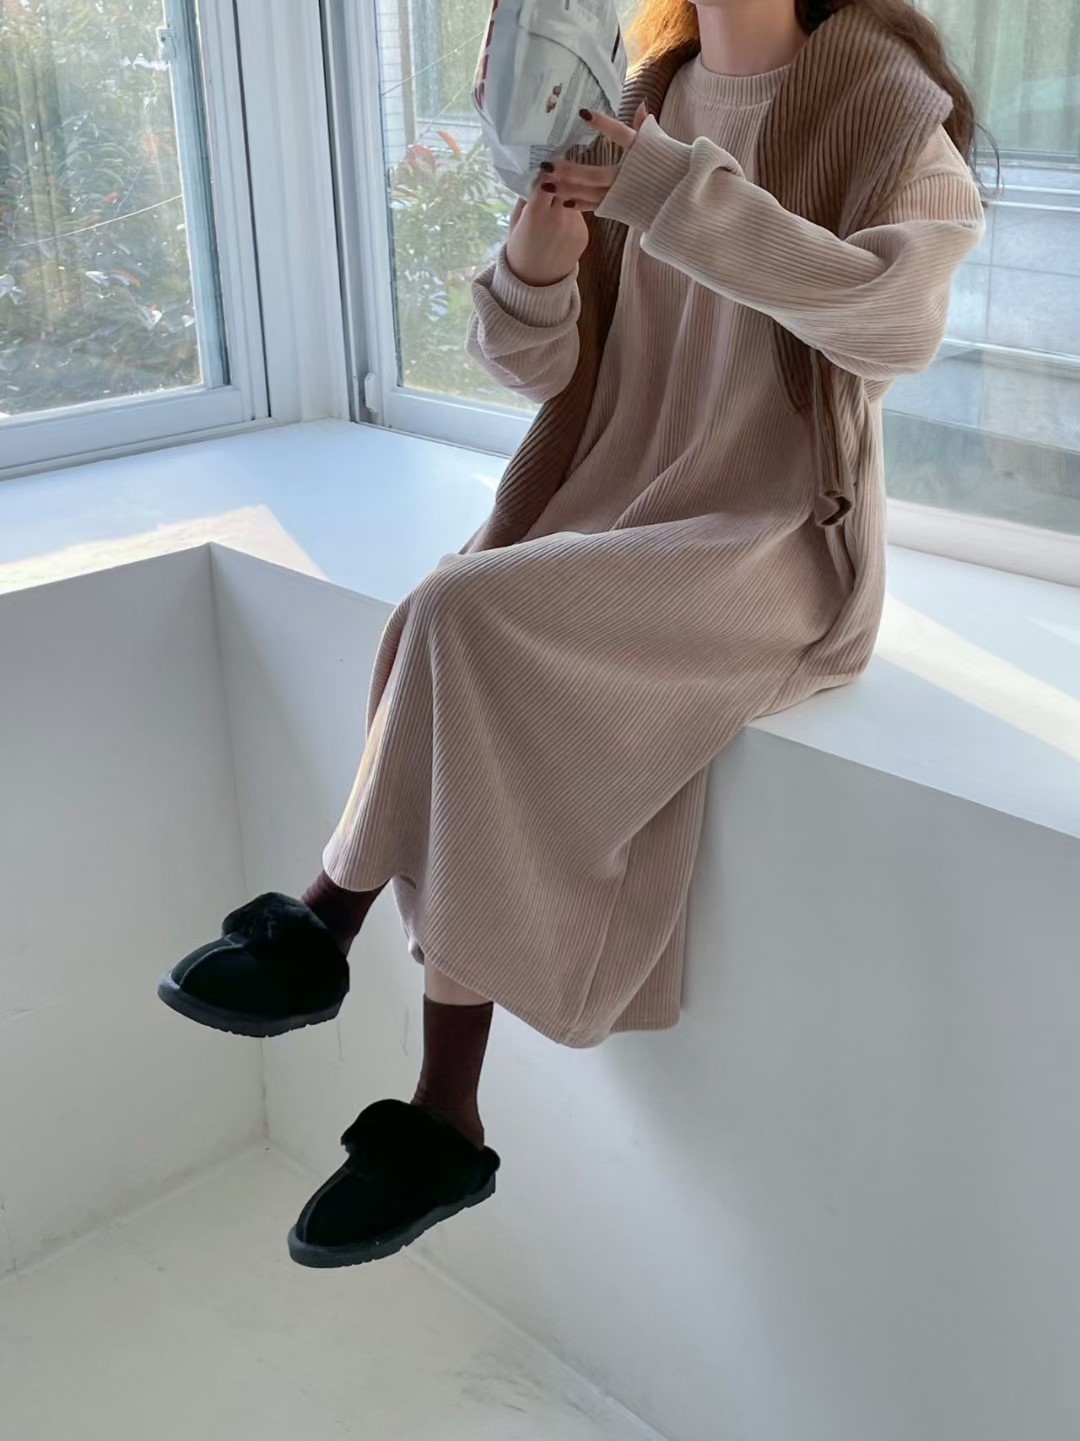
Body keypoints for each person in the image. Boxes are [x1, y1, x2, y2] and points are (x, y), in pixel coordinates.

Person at [159, 0, 985, 1268]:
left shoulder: (879, 104)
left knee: (461, 611)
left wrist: (664, 190)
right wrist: (539, 258)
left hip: (773, 539)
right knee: (454, 614)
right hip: (615, 494)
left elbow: (897, 322)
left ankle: (332, 919)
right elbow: (533, 366)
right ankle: (442, 1109)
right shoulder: (637, 94)